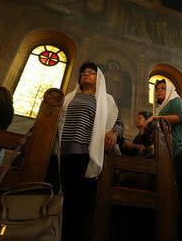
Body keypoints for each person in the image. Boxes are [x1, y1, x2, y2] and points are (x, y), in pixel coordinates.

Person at [56, 62, 124, 241]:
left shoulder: (105, 99)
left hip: (84, 153)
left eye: (91, 73)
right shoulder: (70, 97)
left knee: (78, 202)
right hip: (62, 151)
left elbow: (119, 123)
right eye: (84, 72)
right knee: (60, 198)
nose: (86, 74)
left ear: (99, 79)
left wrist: (113, 132)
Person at [143, 79, 182, 240]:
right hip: (165, 154)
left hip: (180, 151)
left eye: (163, 88)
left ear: (169, 90)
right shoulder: (160, 108)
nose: (159, 91)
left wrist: (156, 118)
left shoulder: (175, 100)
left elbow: (179, 118)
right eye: (157, 89)